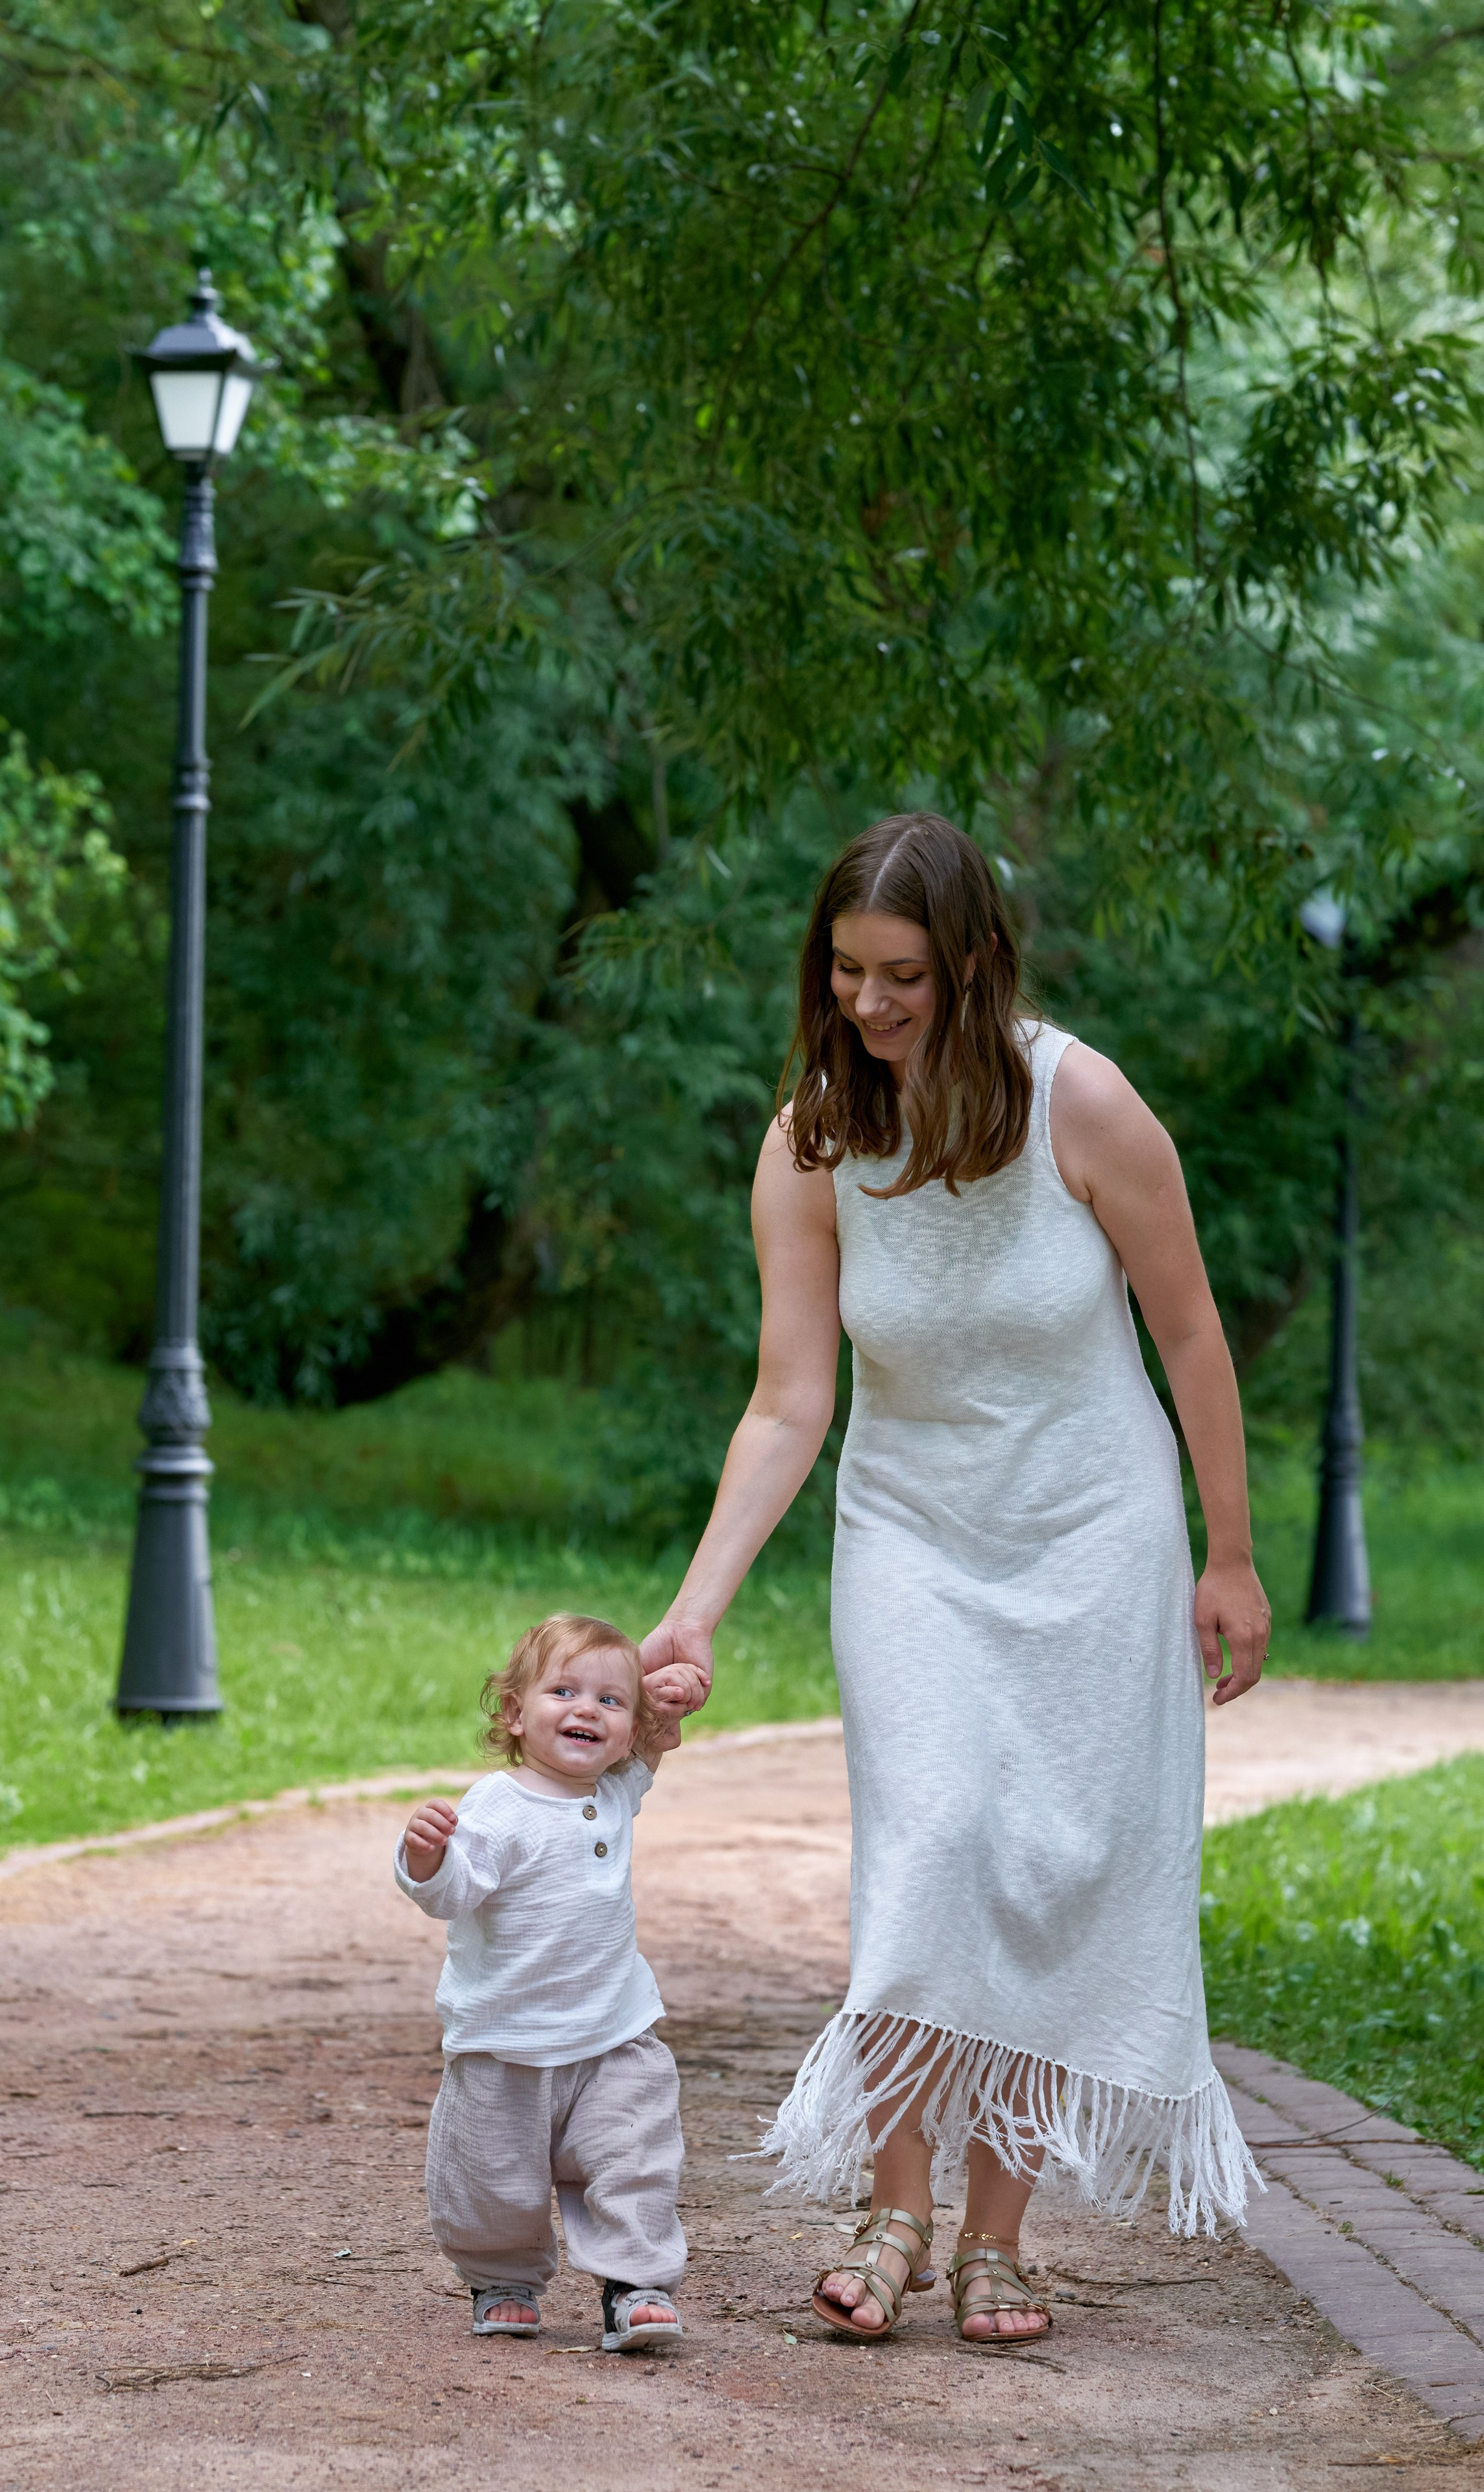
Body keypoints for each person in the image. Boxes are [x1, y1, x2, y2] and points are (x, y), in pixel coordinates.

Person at [639, 812, 1270, 2345]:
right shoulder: (811, 1140)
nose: (867, 1002)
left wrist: (1229, 1551)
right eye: (845, 970)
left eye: (900, 973)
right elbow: (789, 1399)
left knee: (1042, 1858)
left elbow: (1188, 1334)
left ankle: (1000, 2233)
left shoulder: (1082, 1105)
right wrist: (693, 1608)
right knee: (928, 1843)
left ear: (971, 964)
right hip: (909, 1533)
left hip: (1090, 1534)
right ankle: (893, 2200)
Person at [396, 1611, 687, 2352]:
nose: (586, 1709)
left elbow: (655, 1739)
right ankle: (501, 2277)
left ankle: (635, 2285)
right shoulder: (498, 1804)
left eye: (609, 1701)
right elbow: (452, 1893)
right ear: (513, 1713)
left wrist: (671, 1698)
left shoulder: (617, 1789)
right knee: (491, 2178)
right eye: (563, 1690)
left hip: (614, 2035)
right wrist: (426, 1859)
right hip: (506, 2040)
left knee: (633, 2158)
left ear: (627, 1731)